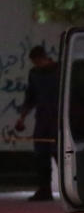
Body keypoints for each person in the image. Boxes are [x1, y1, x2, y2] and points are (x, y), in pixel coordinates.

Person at [15, 46, 59, 201]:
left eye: (38, 61)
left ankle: (70, 189)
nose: (37, 64)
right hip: (43, 119)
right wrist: (22, 118)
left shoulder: (59, 71)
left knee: (59, 152)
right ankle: (44, 189)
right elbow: (31, 97)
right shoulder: (35, 74)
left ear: (44, 58)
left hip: (58, 119)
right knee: (41, 153)